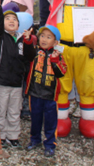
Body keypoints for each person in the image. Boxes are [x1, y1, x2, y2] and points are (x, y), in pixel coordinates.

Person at [23, 25, 67, 158]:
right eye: (42, 36)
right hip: (35, 92)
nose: (44, 39)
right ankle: (35, 139)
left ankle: (50, 144)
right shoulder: (35, 51)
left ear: (55, 42)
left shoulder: (59, 55)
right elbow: (27, 53)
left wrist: (54, 59)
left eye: (49, 37)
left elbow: (61, 73)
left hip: (50, 95)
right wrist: (28, 40)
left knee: (50, 120)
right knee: (35, 118)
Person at [0, 0, 27, 149]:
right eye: (8, 19)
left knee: (14, 111)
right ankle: (0, 136)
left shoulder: (22, 40)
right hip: (1, 81)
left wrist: (30, 42)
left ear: (19, 25)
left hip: (17, 83)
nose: (11, 21)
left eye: (14, 20)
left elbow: (28, 58)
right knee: (0, 110)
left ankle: (13, 136)